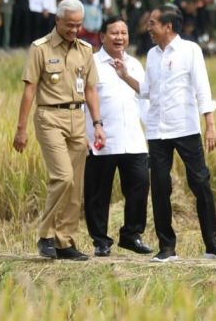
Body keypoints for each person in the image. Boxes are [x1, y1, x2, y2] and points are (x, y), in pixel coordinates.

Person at [114, 4, 216, 263]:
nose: (149, 28)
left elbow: (203, 89)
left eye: (153, 23)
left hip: (186, 128)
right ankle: (167, 247)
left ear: (168, 26)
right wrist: (124, 76)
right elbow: (146, 90)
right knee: (159, 187)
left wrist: (210, 125)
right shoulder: (152, 54)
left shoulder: (191, 51)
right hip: (157, 131)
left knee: (200, 183)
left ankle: (212, 244)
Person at [13, 0, 106, 261]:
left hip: (77, 118)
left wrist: (97, 124)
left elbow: (90, 90)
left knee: (75, 185)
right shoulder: (39, 48)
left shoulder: (86, 50)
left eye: (78, 25)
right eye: (70, 25)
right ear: (57, 21)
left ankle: (65, 241)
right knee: (63, 177)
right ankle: (45, 235)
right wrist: (21, 128)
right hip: (49, 117)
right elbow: (29, 89)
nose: (74, 30)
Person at [83, 17, 153, 257]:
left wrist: (151, 133)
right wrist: (84, 135)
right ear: (102, 36)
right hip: (102, 139)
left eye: (124, 32)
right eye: (114, 33)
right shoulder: (91, 62)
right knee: (98, 193)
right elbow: (83, 101)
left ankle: (131, 235)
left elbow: (144, 100)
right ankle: (100, 240)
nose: (120, 37)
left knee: (139, 186)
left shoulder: (134, 64)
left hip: (133, 139)